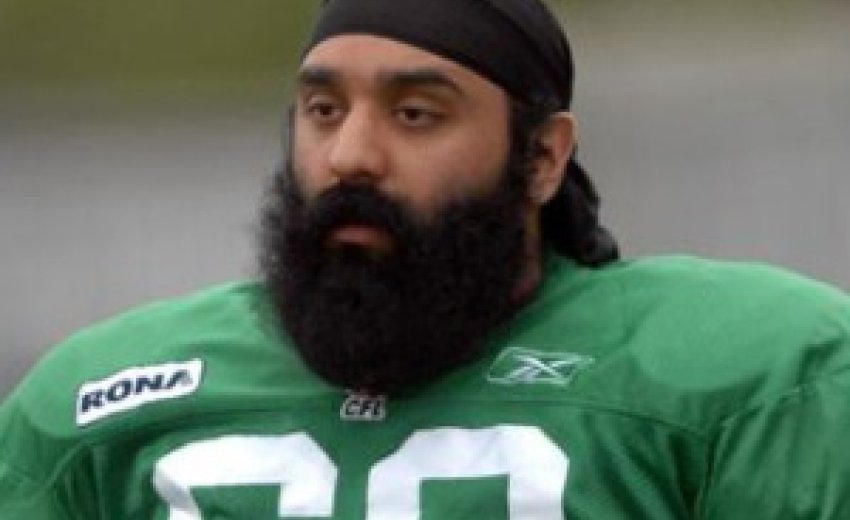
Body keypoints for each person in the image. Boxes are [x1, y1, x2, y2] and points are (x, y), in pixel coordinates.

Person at [2, 0, 849, 517]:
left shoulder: (748, 375)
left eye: (415, 114)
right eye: (323, 109)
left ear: (542, 157)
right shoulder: (100, 404)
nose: (350, 157)